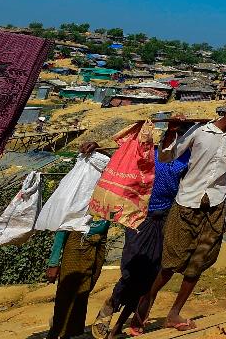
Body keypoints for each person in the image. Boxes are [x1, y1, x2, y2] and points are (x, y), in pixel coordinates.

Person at [137, 93, 226, 331]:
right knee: (170, 263)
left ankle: (174, 313)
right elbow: (168, 154)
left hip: (214, 206)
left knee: (197, 265)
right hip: (186, 204)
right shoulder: (200, 132)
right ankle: (144, 304)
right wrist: (172, 131)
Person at [91, 136, 192, 338]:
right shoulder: (149, 152)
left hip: (164, 217)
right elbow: (121, 156)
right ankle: (113, 302)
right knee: (132, 268)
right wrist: (96, 148)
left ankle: (119, 325)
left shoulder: (187, 157)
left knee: (150, 274)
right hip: (140, 215)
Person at [45, 142, 108, 339]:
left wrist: (99, 148)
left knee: (83, 291)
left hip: (97, 241)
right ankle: (59, 332)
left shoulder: (105, 191)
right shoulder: (77, 193)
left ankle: (72, 331)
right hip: (78, 242)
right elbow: (63, 227)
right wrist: (54, 262)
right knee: (68, 293)